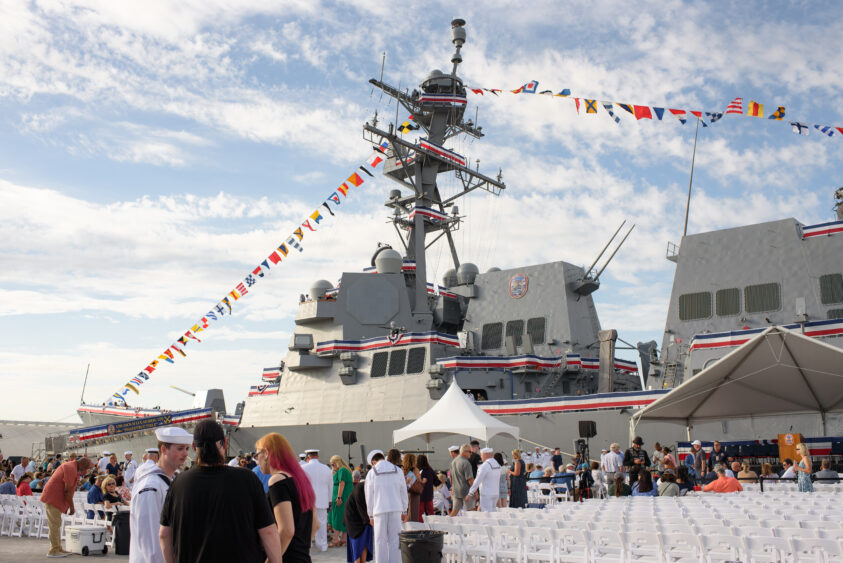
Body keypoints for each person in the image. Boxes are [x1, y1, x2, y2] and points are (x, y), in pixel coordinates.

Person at [159, 420, 282, 563]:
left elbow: (164, 535)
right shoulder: (248, 480)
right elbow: (268, 531)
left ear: (193, 447)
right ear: (224, 442)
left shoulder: (178, 483)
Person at [130, 426, 193, 563]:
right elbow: (152, 544)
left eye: (187, 449)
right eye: (180, 448)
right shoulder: (150, 487)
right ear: (164, 449)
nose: (185, 454)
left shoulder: (170, 481)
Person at [256, 432, 317, 563]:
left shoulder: (277, 481)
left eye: (257, 455)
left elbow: (287, 530)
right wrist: (301, 548)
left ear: (266, 453)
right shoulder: (301, 480)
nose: (257, 460)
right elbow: (315, 525)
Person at [41, 456, 92, 558]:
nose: (86, 471)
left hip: (54, 497)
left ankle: (58, 548)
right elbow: (67, 491)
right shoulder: (71, 468)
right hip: (53, 497)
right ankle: (53, 550)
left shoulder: (72, 467)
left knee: (56, 523)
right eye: (86, 468)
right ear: (81, 465)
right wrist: (72, 507)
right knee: (55, 524)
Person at [364, 449, 407, 563]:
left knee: (380, 541)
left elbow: (369, 495)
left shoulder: (372, 473)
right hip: (396, 509)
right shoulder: (398, 470)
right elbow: (403, 491)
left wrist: (370, 515)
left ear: (373, 462)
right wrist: (404, 510)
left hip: (379, 511)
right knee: (395, 540)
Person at [301, 449, 333, 552]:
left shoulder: (303, 468)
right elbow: (330, 485)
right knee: (322, 523)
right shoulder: (326, 468)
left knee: (307, 523)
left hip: (308, 499)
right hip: (322, 499)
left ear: (308, 457)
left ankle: (307, 544)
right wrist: (329, 499)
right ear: (317, 456)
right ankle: (322, 545)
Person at [344, 478, 373, 563]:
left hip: (364, 517)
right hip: (353, 519)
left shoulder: (370, 489)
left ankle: (362, 561)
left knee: (365, 537)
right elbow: (361, 507)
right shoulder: (360, 488)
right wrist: (370, 520)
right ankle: (357, 560)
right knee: (357, 541)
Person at [467, 448, 501, 513]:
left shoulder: (484, 466)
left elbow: (477, 480)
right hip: (495, 493)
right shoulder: (497, 464)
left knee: (486, 514)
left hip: (486, 494)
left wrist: (470, 493)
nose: (481, 457)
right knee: (493, 512)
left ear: (485, 455)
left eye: (481, 455)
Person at [329, 455, 353, 547]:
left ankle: (335, 539)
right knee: (343, 516)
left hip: (341, 497)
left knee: (337, 517)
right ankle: (343, 538)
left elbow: (341, 483)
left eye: (333, 464)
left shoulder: (342, 470)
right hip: (345, 496)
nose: (332, 466)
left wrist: (339, 497)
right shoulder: (343, 470)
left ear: (337, 463)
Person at [448, 444, 474, 516]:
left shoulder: (453, 462)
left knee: (454, 511)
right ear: (464, 452)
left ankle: (449, 524)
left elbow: (451, 478)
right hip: (466, 491)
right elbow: (470, 479)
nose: (471, 454)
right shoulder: (466, 463)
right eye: (470, 452)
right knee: (471, 511)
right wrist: (475, 492)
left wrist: (452, 487)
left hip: (456, 490)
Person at [416, 454, 438, 521]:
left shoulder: (416, 470)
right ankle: (432, 524)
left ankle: (420, 526)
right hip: (429, 494)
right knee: (430, 512)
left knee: (420, 513)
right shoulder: (430, 470)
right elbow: (437, 482)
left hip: (419, 494)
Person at [401, 453, 421, 523]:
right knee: (413, 513)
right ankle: (412, 529)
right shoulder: (415, 470)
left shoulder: (402, 470)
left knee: (405, 511)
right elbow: (419, 480)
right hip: (414, 493)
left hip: (404, 492)